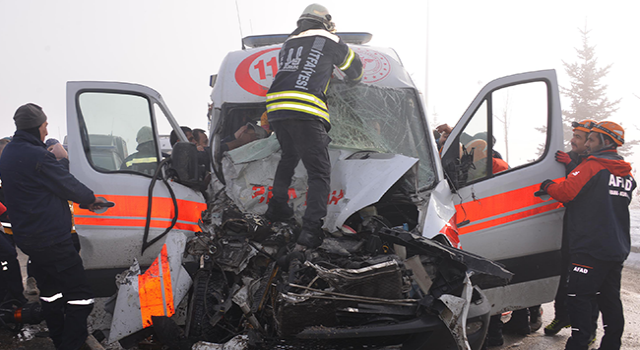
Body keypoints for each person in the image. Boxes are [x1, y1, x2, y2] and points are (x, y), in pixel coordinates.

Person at [0, 103, 104, 350]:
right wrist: (91, 200)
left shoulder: (10, 153)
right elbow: (65, 182)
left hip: (29, 239)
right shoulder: (37, 156)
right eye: (45, 126)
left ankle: (59, 340)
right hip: (51, 239)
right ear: (37, 126)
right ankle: (71, 345)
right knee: (82, 297)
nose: (46, 131)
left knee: (51, 294)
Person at [264, 3, 363, 249]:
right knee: (319, 173)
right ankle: (311, 230)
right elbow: (356, 71)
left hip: (276, 109)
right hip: (305, 110)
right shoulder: (330, 39)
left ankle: (277, 207)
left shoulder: (289, 43)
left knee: (289, 156)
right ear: (326, 22)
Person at [539, 121, 635, 350]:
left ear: (607, 142)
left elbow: (567, 191)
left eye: (592, 139)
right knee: (610, 300)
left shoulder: (593, 165)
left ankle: (578, 345)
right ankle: (611, 345)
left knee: (579, 298)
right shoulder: (626, 174)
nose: (588, 144)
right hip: (616, 247)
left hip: (590, 247)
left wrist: (548, 184)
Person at [545, 119, 599, 338]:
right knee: (564, 272)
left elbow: (582, 188)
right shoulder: (569, 157)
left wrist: (570, 165)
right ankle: (562, 316)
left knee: (587, 283)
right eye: (573, 135)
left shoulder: (595, 162)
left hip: (589, 232)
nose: (572, 140)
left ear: (590, 141)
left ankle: (588, 329)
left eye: (578, 136)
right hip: (570, 226)